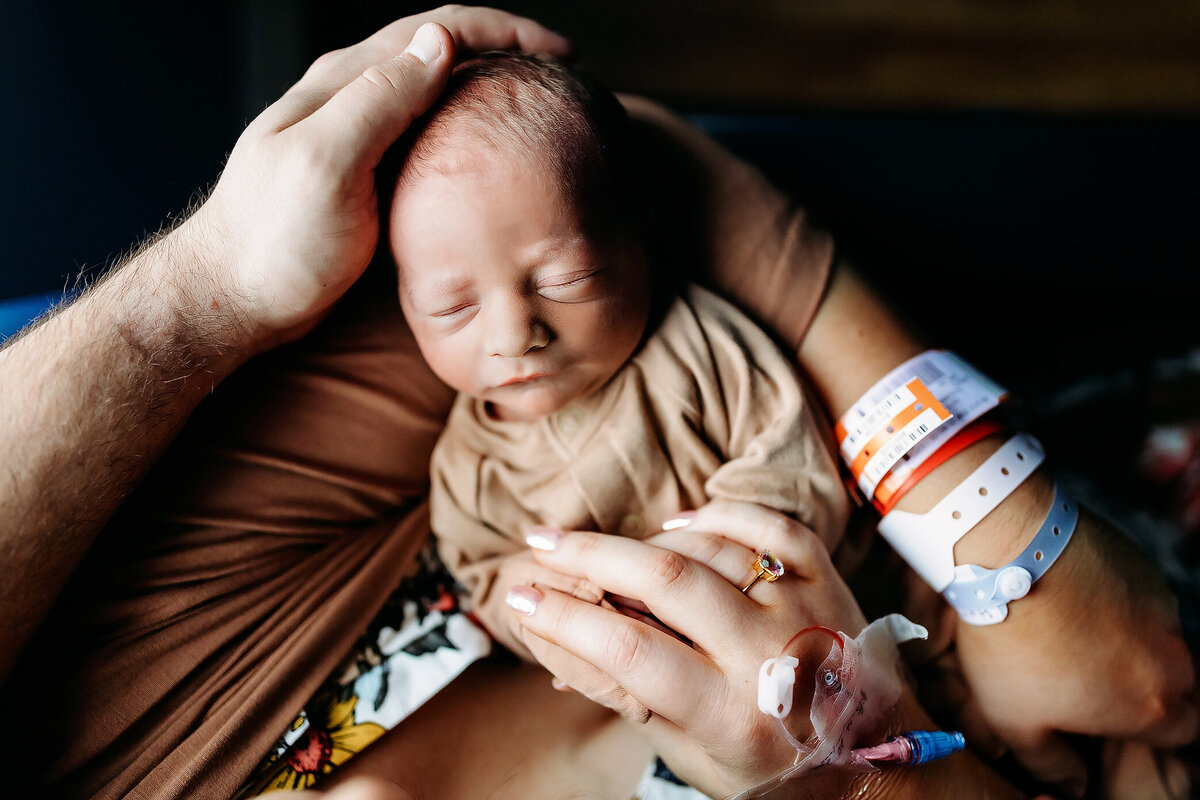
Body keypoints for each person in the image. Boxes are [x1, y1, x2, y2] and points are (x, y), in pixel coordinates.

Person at [0, 6, 1193, 800]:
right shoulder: (473, 431)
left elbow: (613, 170)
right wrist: (862, 765)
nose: (512, 338)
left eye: (555, 291)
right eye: (459, 313)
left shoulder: (149, 586)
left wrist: (991, 521)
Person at [386, 51, 848, 678]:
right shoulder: (471, 468)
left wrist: (709, 567)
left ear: (641, 239)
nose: (514, 336)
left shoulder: (696, 348)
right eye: (451, 306)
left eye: (565, 279)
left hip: (827, 629)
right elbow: (485, 579)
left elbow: (798, 469)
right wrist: (526, 598)